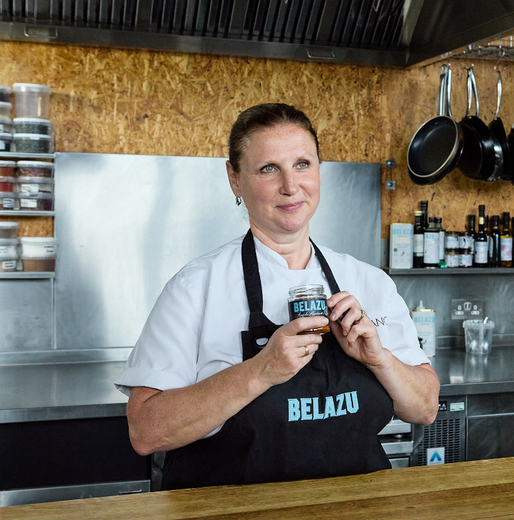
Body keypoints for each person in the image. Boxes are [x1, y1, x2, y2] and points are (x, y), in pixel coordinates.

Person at [115, 103, 440, 490]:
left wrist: (379, 359)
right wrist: (261, 370)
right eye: (269, 168)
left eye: (303, 164)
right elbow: (146, 431)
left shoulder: (369, 282)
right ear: (235, 180)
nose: (291, 185)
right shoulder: (195, 288)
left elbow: (424, 408)